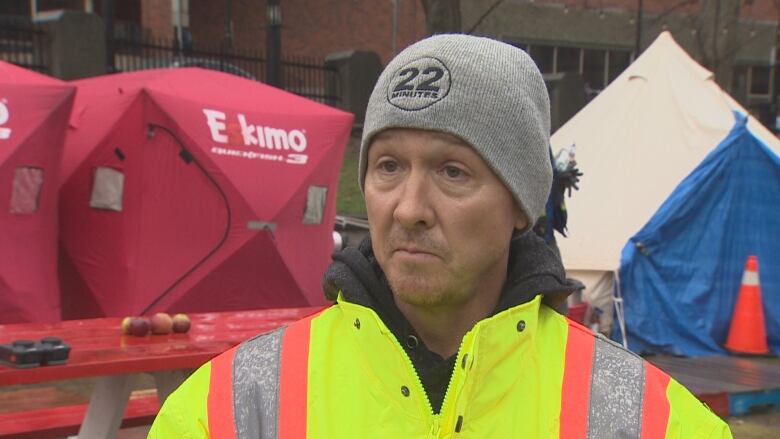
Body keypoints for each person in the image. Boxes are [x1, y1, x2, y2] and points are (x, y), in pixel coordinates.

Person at [149, 34, 731, 438]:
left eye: (453, 171)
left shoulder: (646, 420)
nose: (408, 209)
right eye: (388, 167)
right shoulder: (228, 411)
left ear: (521, 206)